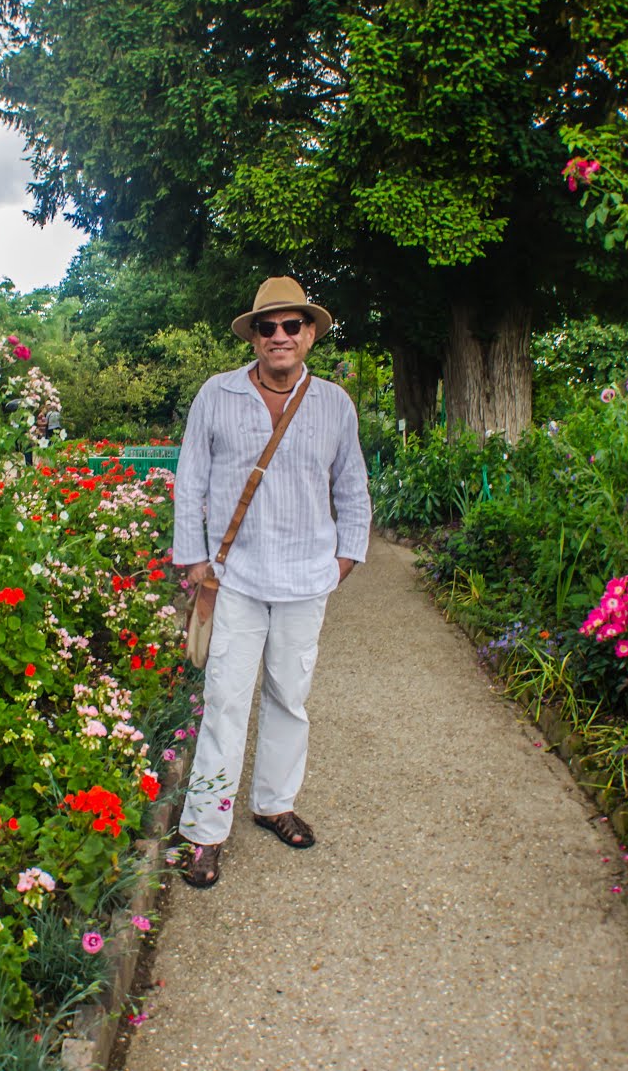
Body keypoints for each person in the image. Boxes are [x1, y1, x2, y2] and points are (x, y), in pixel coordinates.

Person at [171, 276, 373, 889]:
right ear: (254, 336)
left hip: (306, 577)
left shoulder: (335, 402)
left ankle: (274, 804)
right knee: (226, 703)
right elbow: (190, 481)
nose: (280, 336)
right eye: (268, 327)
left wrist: (345, 559)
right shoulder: (217, 393)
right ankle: (205, 831)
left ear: (310, 333)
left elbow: (352, 486)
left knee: (289, 697)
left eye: (292, 325)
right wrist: (195, 560)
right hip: (234, 578)